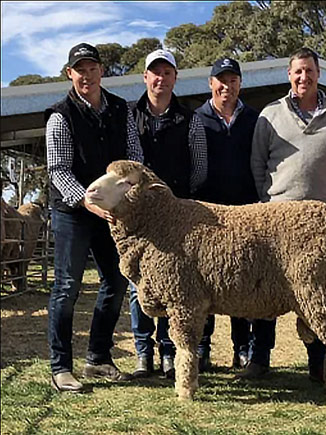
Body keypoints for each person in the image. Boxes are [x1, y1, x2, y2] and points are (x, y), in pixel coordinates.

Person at [251, 47, 326, 382]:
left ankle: (320, 365)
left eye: (309, 70)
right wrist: (270, 201)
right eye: (297, 71)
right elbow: (258, 164)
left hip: (320, 225)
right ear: (289, 74)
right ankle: (259, 359)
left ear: (318, 73)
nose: (303, 77)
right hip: (275, 220)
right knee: (263, 289)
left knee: (318, 293)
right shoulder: (270, 114)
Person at [45, 42, 144, 392]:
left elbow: (134, 157)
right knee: (67, 286)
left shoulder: (122, 110)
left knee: (116, 281)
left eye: (91, 68)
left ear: (102, 71)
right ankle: (61, 367)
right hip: (73, 211)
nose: (86, 75)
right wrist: (84, 199)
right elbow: (58, 169)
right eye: (79, 69)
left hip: (111, 212)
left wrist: (126, 197)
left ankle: (98, 358)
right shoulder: (60, 115)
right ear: (69, 74)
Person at [128, 48, 212, 379]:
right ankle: (142, 353)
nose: (161, 78)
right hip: (139, 217)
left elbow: (200, 167)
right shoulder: (129, 116)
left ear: (175, 78)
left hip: (178, 216)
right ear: (145, 77)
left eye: (167, 73)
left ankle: (168, 351)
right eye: (155, 72)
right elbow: (129, 163)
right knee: (140, 283)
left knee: (175, 286)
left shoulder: (191, 120)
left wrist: (178, 201)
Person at [194, 57, 275, 376]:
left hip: (246, 211)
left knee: (243, 280)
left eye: (233, 80)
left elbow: (263, 160)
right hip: (207, 213)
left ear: (241, 83)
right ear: (211, 83)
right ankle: (202, 348)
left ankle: (243, 349)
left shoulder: (254, 119)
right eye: (221, 80)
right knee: (204, 282)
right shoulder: (196, 119)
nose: (227, 86)